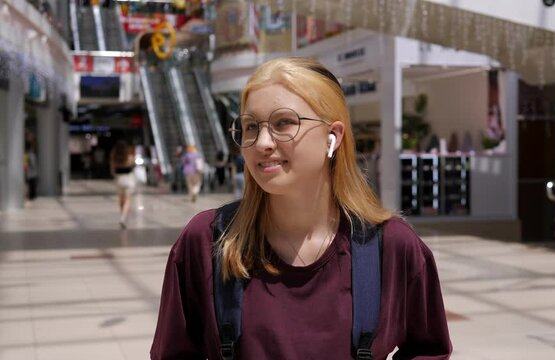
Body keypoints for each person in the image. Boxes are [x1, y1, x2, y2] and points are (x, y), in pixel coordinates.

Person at [151, 57, 452, 359]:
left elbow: (428, 348)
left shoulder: (390, 247)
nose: (262, 142)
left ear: (332, 137)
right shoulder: (207, 242)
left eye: (284, 123)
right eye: (251, 126)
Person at [110, 141, 135, 229]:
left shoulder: (114, 158)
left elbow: (112, 171)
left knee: (121, 200)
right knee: (127, 200)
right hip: (128, 179)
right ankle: (123, 218)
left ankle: (122, 217)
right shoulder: (129, 157)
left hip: (119, 179)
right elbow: (133, 166)